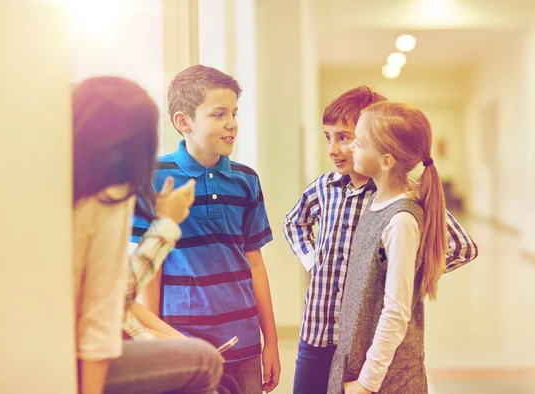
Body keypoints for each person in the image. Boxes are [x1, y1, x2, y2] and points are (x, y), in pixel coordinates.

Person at [283, 86, 479, 394]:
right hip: (319, 330)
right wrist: (314, 264)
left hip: (366, 341)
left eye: (346, 138)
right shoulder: (326, 186)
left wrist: (402, 276)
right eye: (327, 137)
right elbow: (294, 222)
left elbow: (461, 247)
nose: (333, 148)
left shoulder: (400, 198)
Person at [132, 64, 280, 394]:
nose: (231, 124)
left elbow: (255, 263)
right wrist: (155, 345)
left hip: (243, 345)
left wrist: (270, 341)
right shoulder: (155, 178)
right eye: (218, 114)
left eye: (234, 113)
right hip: (181, 345)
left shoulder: (247, 180)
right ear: (183, 121)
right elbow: (148, 269)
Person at [72, 76, 222, 394]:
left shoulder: (61, 188)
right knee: (205, 361)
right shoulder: (110, 196)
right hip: (72, 360)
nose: (230, 125)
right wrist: (167, 224)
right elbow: (102, 315)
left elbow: (113, 292)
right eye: (219, 114)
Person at [328, 101, 454, 393]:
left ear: (386, 161)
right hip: (358, 360)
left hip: (387, 378)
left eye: (359, 143)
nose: (350, 149)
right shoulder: (375, 203)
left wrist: (366, 383)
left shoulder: (401, 221)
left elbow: (396, 312)